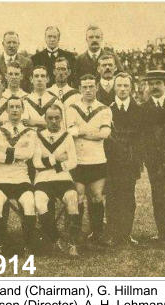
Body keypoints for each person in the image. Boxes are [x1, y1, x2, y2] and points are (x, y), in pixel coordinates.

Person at [67, 74, 112, 245]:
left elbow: (105, 134)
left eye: (91, 86)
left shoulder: (104, 109)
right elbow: (71, 131)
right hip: (78, 161)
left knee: (97, 196)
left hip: (97, 160)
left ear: (97, 88)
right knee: (78, 196)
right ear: (79, 88)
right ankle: (77, 234)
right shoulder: (72, 108)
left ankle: (97, 233)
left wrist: (82, 132)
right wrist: (94, 133)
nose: (88, 90)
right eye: (84, 87)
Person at [0, 97, 36, 256]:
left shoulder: (30, 132)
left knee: (29, 202)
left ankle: (28, 245)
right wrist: (16, 154)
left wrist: (5, 150)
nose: (15, 110)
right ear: (6, 110)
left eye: (18, 107)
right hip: (0, 178)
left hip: (21, 178)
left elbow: (29, 154)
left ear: (22, 110)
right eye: (11, 107)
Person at [32, 104, 79, 256]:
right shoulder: (37, 136)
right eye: (50, 118)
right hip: (42, 179)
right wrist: (56, 159)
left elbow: (73, 162)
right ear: (45, 119)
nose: (53, 121)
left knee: (72, 198)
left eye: (56, 118)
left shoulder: (67, 136)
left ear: (61, 119)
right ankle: (56, 238)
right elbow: (36, 163)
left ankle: (72, 243)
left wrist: (51, 164)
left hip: (63, 178)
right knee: (39, 202)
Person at [105, 73, 143, 246]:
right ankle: (113, 233)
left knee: (128, 198)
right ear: (114, 87)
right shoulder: (107, 109)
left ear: (131, 88)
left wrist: (135, 160)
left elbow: (140, 138)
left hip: (130, 162)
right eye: (119, 85)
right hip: (112, 162)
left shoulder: (138, 109)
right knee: (112, 198)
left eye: (126, 86)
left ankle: (126, 234)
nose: (122, 89)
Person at [140, 69, 165, 246]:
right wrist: (150, 160)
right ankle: (164, 235)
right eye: (151, 83)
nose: (154, 86)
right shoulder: (144, 108)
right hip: (154, 162)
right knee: (159, 197)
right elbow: (144, 137)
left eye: (158, 83)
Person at [46, 57, 81, 129]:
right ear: (54, 72)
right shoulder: (47, 93)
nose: (61, 73)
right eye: (58, 69)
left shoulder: (77, 95)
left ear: (69, 72)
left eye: (63, 69)